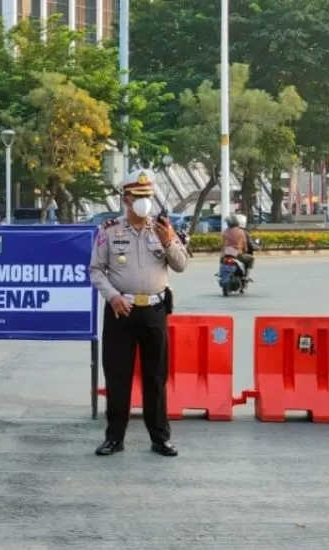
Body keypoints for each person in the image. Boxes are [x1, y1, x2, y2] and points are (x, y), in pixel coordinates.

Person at [89, 169, 190, 457]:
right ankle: (114, 437)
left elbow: (181, 265)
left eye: (148, 196)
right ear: (126, 200)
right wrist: (113, 296)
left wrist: (170, 240)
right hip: (122, 310)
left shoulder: (161, 229)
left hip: (155, 310)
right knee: (118, 375)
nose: (144, 202)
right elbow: (96, 271)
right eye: (138, 197)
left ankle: (160, 437)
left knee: (156, 376)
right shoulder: (109, 231)